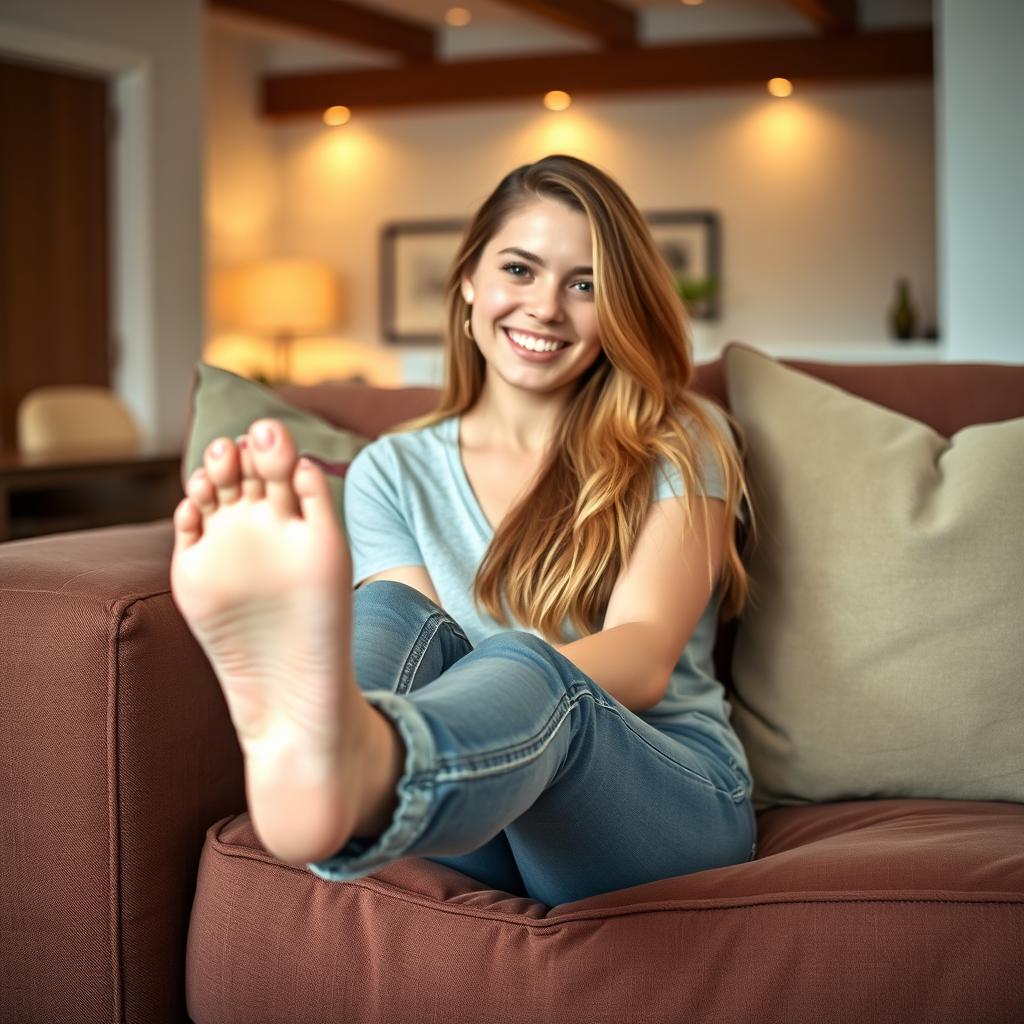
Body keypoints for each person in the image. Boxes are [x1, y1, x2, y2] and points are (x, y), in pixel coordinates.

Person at [170, 154, 758, 907]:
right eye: (520, 269)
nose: (546, 307)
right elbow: (415, 651)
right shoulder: (392, 468)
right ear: (469, 280)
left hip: (660, 795)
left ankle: (357, 755)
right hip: (475, 810)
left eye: (584, 285)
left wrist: (503, 688)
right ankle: (343, 758)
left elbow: (644, 655)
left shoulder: (681, 434)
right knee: (390, 615)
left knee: (533, 667)